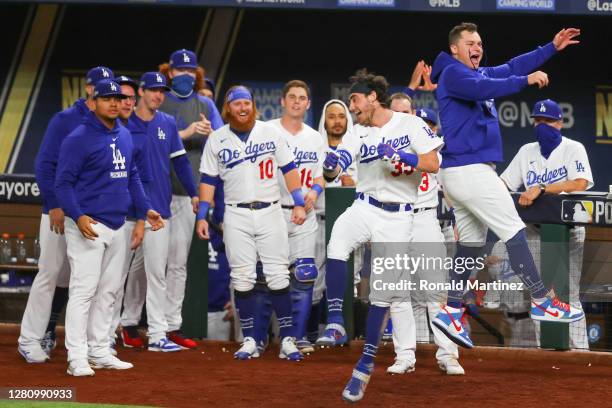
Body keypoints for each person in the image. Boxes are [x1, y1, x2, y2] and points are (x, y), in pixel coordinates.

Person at [429, 22, 584, 349]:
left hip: (463, 173)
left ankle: (451, 310)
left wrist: (550, 48)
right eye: (471, 42)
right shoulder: (453, 74)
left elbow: (511, 66)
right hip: (470, 170)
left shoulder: (474, 72)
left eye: (480, 42)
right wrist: (525, 81)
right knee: (514, 230)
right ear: (455, 49)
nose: (477, 47)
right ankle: (542, 299)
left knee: (471, 246)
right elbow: (489, 87)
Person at [320, 69, 443, 402]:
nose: (352, 107)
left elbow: (433, 162)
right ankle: (335, 321)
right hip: (364, 206)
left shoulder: (409, 124)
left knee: (383, 294)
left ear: (372, 97)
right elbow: (338, 162)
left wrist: (406, 156)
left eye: (355, 99)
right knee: (336, 242)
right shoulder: (357, 131)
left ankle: (365, 364)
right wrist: (332, 165)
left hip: (399, 217)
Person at [55, 79, 164, 376]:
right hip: (88, 223)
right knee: (83, 292)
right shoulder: (78, 138)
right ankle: (77, 356)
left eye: (117, 98)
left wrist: (146, 209)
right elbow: (62, 184)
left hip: (117, 224)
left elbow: (133, 176)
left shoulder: (125, 135)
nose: (115, 103)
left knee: (109, 292)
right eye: (107, 98)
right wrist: (77, 216)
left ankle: (100, 350)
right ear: (93, 102)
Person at [196, 85, 306, 361]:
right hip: (235, 214)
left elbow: (289, 168)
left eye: (247, 103)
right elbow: (208, 180)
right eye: (237, 104)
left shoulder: (270, 132)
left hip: (270, 209)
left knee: (278, 275)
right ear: (228, 108)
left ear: (253, 105)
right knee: (242, 279)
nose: (243, 108)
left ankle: (288, 340)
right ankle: (249, 340)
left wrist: (299, 201)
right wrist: (202, 215)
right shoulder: (217, 139)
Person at [18, 66, 114, 363]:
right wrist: (56, 205)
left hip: (91, 215)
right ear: (88, 90)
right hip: (59, 212)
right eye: (99, 89)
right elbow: (45, 166)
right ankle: (29, 339)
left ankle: (87, 346)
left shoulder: (111, 125)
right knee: (49, 275)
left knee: (84, 283)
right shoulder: (65, 120)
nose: (106, 96)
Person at [498, 99, 592, 350]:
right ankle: (547, 353)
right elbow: (504, 185)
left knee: (568, 292)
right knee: (540, 293)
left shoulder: (574, 148)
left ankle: (581, 353)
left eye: (547, 121)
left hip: (567, 231)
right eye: (537, 121)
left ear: (560, 123)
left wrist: (541, 188)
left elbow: (580, 183)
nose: (542, 126)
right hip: (534, 231)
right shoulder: (527, 151)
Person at [119, 72, 198, 352]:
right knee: (124, 276)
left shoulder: (167, 123)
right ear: (141, 92)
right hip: (127, 213)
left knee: (154, 273)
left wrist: (195, 193)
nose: (158, 95)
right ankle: (127, 328)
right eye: (153, 90)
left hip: (158, 212)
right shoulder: (124, 125)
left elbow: (181, 164)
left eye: (162, 91)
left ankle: (156, 334)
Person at [385, 102, 463, 376]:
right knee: (398, 292)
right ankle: (404, 355)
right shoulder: (383, 143)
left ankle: (449, 356)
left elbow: (451, 187)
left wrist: (457, 220)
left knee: (437, 291)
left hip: (425, 218)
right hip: (393, 219)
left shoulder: (431, 146)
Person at [158, 49, 224, 348]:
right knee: (148, 266)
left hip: (189, 195)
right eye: (179, 71)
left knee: (177, 264)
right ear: (169, 72)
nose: (184, 76)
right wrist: (183, 133)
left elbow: (227, 146)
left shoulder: (206, 104)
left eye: (189, 71)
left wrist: (212, 134)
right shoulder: (160, 100)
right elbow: (148, 140)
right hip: (156, 195)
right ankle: (135, 325)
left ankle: (171, 327)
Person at [259, 80, 325, 353]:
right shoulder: (266, 131)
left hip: (305, 214)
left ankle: (295, 337)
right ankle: (260, 336)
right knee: (265, 277)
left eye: (302, 98)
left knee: (305, 274)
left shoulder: (314, 137)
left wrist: (314, 192)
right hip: (273, 211)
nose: (297, 102)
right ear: (282, 101)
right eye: (292, 97)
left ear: (308, 104)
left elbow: (320, 176)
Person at [107, 74, 149, 354]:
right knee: (104, 281)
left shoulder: (132, 130)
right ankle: (97, 337)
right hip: (101, 217)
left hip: (130, 215)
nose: (126, 102)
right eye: (120, 97)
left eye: (130, 97)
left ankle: (108, 335)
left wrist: (143, 215)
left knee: (119, 279)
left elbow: (136, 177)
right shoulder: (99, 129)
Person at [310, 99, 356, 343]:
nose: (337, 121)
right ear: (324, 121)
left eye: (341, 116)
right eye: (332, 116)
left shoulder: (357, 148)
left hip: (351, 225)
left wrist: (354, 184)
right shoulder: (315, 148)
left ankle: (347, 330)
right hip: (319, 221)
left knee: (352, 281)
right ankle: (311, 332)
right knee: (314, 282)